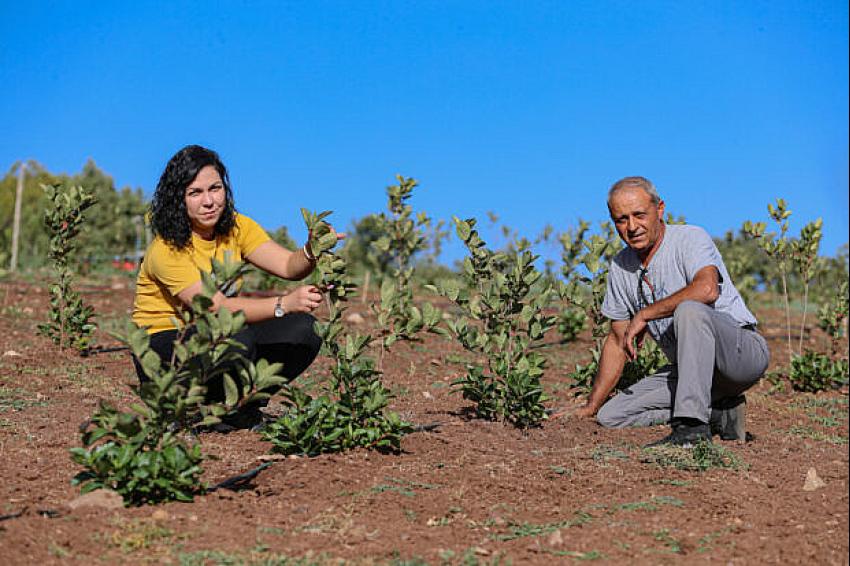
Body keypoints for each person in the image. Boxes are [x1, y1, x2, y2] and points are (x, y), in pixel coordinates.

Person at [132, 145, 335, 428]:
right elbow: (216, 308)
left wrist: (312, 249)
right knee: (237, 340)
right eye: (195, 193)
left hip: (216, 337)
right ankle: (182, 408)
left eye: (214, 188)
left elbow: (289, 266)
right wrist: (282, 304)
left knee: (304, 329)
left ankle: (240, 408)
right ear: (178, 199)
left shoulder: (237, 228)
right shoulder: (166, 249)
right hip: (164, 349)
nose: (209, 201)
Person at [573, 176, 770, 446]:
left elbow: (707, 290)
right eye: (621, 219)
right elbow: (618, 340)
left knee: (690, 309)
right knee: (612, 415)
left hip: (740, 357)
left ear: (660, 209)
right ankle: (719, 414)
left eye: (639, 215)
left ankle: (690, 431)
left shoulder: (690, 237)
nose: (632, 227)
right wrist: (591, 406)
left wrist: (644, 313)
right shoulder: (620, 267)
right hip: (691, 374)